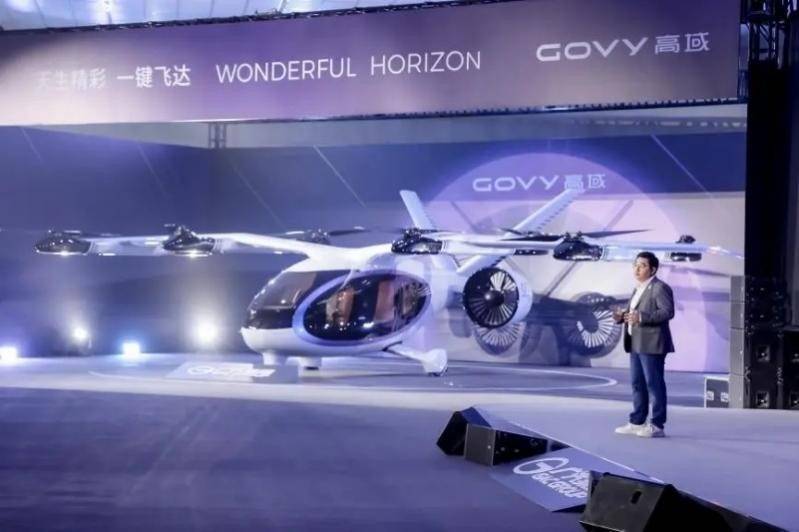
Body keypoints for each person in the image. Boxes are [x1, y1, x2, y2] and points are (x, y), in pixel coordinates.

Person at [612, 251, 675, 438]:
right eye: (635, 265)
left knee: (654, 385)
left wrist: (642, 317)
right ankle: (637, 421)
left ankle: (657, 425)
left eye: (642, 265)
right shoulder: (637, 288)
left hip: (652, 343)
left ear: (653, 269)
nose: (637, 269)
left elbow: (667, 312)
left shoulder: (660, 288)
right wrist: (621, 317)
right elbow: (634, 314)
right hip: (636, 342)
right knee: (637, 384)